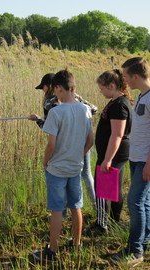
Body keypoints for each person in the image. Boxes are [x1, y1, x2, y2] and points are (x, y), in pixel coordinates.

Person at [33, 69, 94, 263]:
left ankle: (52, 251)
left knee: (57, 209)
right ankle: (76, 243)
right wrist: (77, 154)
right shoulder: (85, 109)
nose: (55, 94)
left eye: (56, 90)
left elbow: (51, 145)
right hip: (76, 167)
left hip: (57, 169)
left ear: (58, 88)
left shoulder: (56, 112)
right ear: (73, 87)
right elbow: (90, 140)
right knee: (76, 206)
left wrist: (45, 162)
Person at [29, 73, 97, 207]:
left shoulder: (50, 103)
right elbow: (93, 109)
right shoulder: (76, 98)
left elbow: (50, 129)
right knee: (86, 174)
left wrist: (37, 119)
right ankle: (95, 203)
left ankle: (62, 211)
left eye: (43, 87)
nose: (43, 91)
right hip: (82, 144)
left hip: (64, 148)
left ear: (51, 87)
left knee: (60, 181)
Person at [109, 57, 150, 265]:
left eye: (125, 76)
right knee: (144, 202)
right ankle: (145, 240)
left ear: (135, 76)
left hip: (145, 161)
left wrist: (149, 164)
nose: (124, 80)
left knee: (134, 202)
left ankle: (135, 251)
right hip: (137, 158)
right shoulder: (142, 96)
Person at [85, 69, 133, 236]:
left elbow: (117, 134)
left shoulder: (119, 105)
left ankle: (102, 224)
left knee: (103, 189)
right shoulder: (118, 101)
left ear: (112, 86)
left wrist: (107, 159)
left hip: (113, 154)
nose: (101, 91)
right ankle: (112, 221)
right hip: (115, 154)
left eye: (102, 88)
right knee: (113, 188)